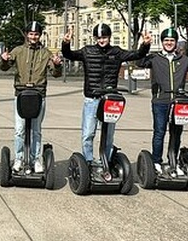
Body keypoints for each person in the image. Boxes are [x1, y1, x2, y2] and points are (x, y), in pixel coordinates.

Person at [61, 24, 151, 165]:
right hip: (92, 98)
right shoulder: (87, 51)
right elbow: (69, 55)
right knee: (88, 134)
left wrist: (145, 45)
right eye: (98, 38)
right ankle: (88, 161)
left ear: (109, 37)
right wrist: (66, 43)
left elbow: (137, 54)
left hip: (110, 100)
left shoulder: (116, 52)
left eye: (104, 37)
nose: (101, 40)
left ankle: (106, 162)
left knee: (108, 135)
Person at [136, 28, 188, 172]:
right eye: (166, 40)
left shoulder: (183, 60)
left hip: (178, 102)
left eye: (172, 40)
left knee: (176, 134)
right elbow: (139, 62)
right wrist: (145, 45)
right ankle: (156, 161)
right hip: (160, 101)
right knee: (159, 132)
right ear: (162, 42)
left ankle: (173, 161)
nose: (169, 43)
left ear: (176, 43)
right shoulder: (154, 58)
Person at [0, 21, 62, 173]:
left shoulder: (46, 53)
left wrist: (57, 64)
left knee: (36, 130)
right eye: (31, 34)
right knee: (19, 129)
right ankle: (19, 158)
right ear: (27, 35)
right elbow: (5, 67)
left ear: (40, 35)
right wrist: (4, 59)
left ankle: (35, 160)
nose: (34, 37)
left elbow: (55, 74)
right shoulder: (18, 50)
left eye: (36, 34)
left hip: (38, 94)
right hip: (21, 93)